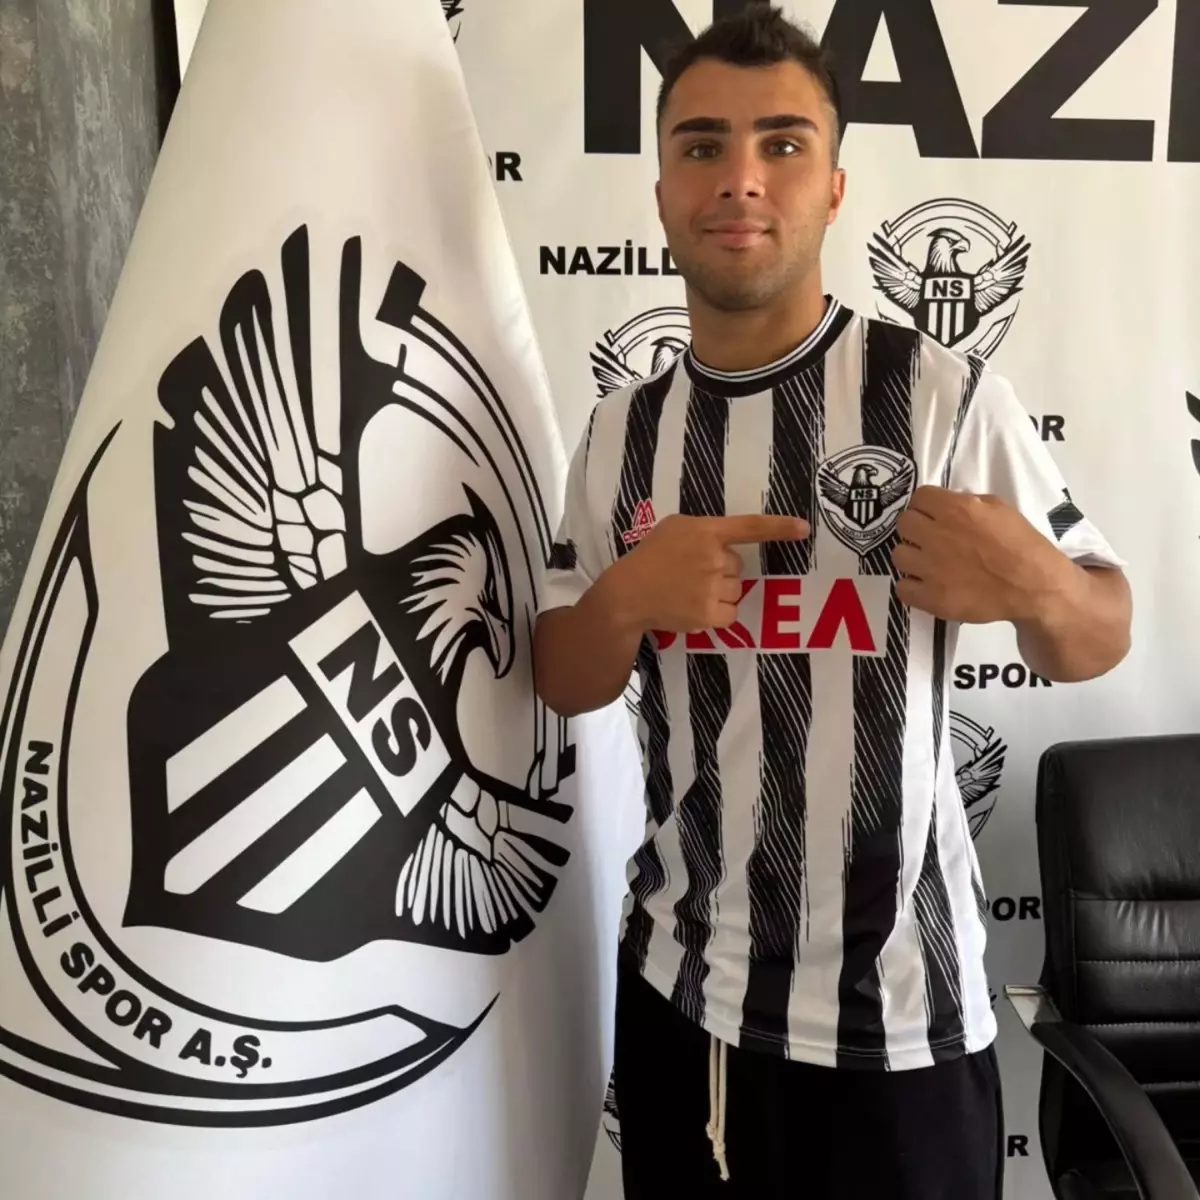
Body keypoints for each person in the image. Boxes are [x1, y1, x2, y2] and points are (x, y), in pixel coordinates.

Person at [534, 8, 1132, 1198]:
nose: (741, 179)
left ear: (835, 187)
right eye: (702, 146)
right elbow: (560, 674)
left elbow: (1099, 633)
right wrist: (625, 603)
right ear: (661, 192)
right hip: (689, 1000)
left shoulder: (943, 399)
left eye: (782, 144)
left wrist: (1031, 582)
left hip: (902, 1015)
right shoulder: (620, 434)